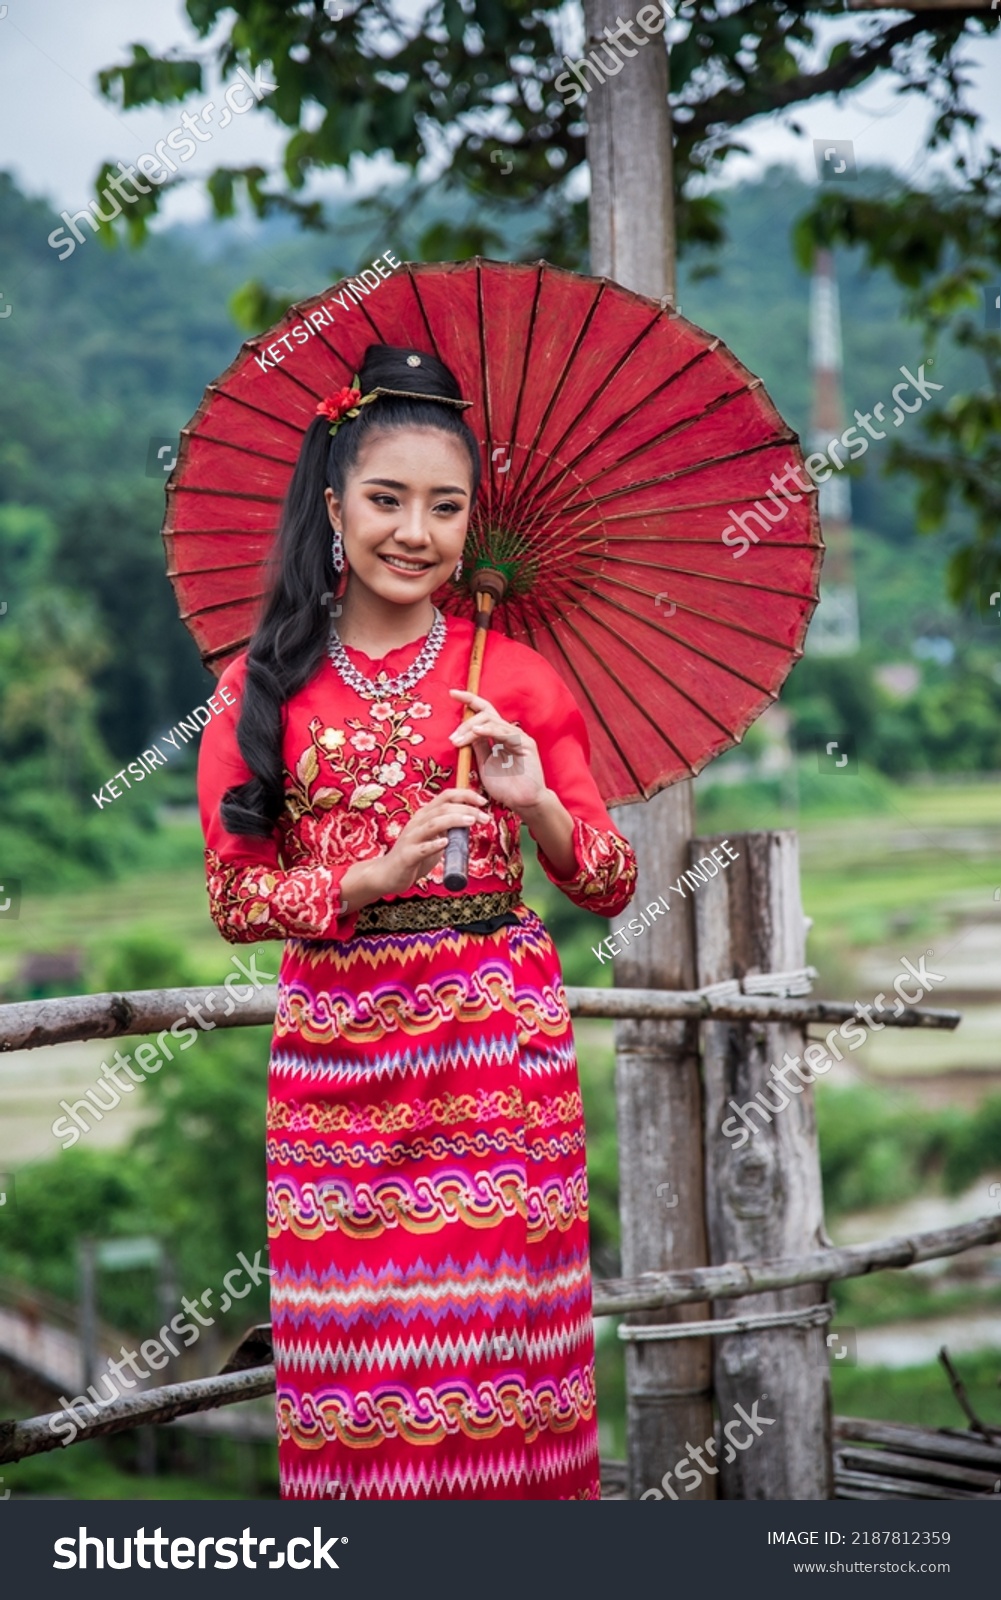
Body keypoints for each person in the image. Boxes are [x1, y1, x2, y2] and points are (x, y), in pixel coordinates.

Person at [197, 342, 638, 1501]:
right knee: (355, 1373)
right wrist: (365, 875)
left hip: (496, 1066)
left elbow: (605, 880)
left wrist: (532, 797)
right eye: (386, 500)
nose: (414, 531)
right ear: (332, 505)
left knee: (504, 1360)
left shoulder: (522, 682)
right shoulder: (263, 688)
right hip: (337, 1073)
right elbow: (237, 901)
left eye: (445, 507)